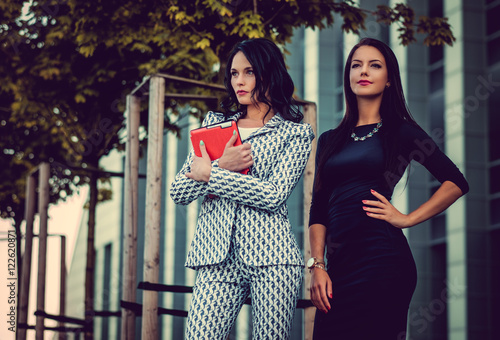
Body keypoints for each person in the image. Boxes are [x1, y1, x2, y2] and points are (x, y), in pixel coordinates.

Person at [308, 37, 469, 339]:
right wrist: (317, 264)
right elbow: (319, 207)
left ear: (389, 80)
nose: (363, 71)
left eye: (374, 65)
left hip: (382, 262)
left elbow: (456, 182)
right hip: (338, 267)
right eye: (356, 65)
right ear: (349, 76)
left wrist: (406, 219)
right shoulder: (330, 139)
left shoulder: (402, 131)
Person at [170, 38, 314, 339]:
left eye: (249, 72)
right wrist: (222, 164)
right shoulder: (214, 125)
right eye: (234, 74)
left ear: (269, 72)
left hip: (273, 259)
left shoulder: (295, 133)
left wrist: (211, 173)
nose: (239, 81)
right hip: (216, 259)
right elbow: (179, 192)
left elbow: (273, 195)